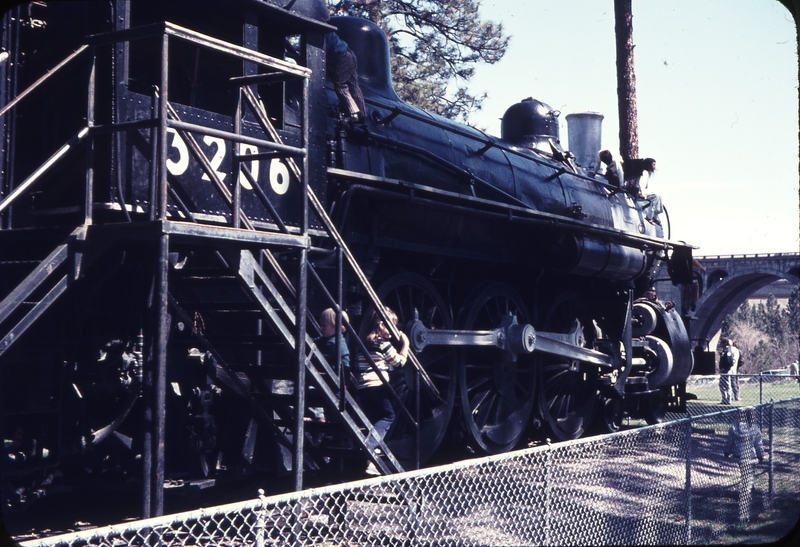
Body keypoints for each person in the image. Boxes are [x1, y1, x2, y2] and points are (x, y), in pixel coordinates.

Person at [356, 307, 409, 475]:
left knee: (374, 422)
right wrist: (405, 344)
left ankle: (370, 461)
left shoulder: (365, 342)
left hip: (363, 387)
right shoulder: (384, 344)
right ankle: (369, 447)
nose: (393, 331)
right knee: (388, 416)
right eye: (390, 326)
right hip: (378, 386)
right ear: (381, 325)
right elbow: (398, 362)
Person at [724, 407, 765, 523]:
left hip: (739, 456)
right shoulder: (755, 428)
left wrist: (727, 451)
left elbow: (729, 442)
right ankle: (747, 492)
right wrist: (761, 455)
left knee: (744, 473)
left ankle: (748, 488)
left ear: (738, 416)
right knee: (750, 474)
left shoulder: (733, 428)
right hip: (751, 456)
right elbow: (758, 443)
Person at [326, 31, 366, 123]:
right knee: (354, 85)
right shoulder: (329, 32)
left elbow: (323, 49)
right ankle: (362, 113)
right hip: (350, 54)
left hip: (341, 56)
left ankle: (353, 112)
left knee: (340, 85)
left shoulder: (321, 31)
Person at [623, 157, 662, 225]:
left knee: (659, 197)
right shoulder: (644, 172)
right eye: (654, 164)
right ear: (649, 165)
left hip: (642, 190)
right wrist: (643, 194)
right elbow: (640, 183)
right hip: (639, 191)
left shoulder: (647, 173)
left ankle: (655, 216)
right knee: (656, 197)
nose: (655, 167)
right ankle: (649, 217)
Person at [719, 338, 740, 405]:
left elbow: (730, 361)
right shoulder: (724, 350)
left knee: (728, 385)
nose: (721, 345)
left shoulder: (729, 350)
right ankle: (724, 399)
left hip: (727, 370)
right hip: (723, 370)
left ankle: (728, 399)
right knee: (722, 385)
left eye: (722, 343)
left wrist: (727, 368)